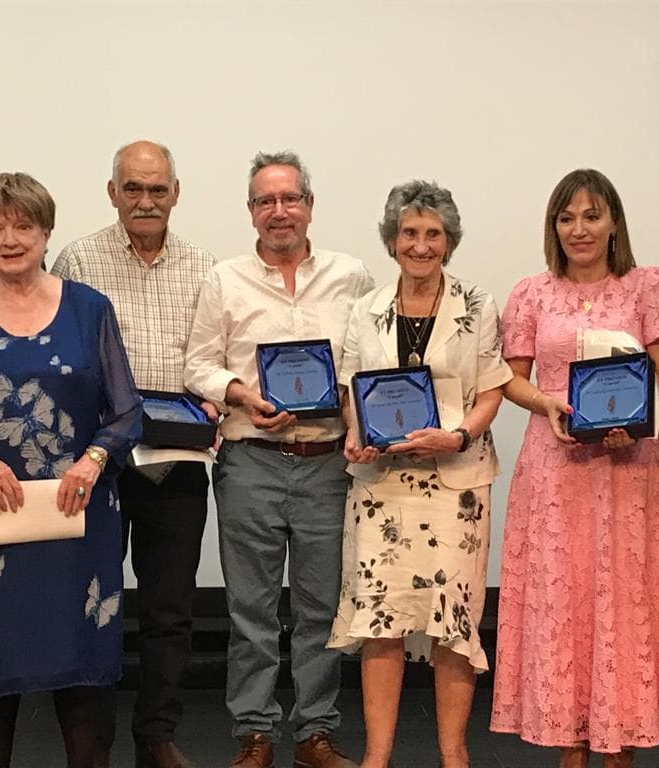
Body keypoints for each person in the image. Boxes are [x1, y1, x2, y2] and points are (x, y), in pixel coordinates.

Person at [489, 169, 659, 768]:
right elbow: (512, 380)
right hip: (555, 467)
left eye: (591, 215)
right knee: (562, 601)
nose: (579, 228)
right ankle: (570, 744)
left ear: (614, 223)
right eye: (566, 217)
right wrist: (549, 404)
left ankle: (622, 742)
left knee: (625, 597)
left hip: (628, 465)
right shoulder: (531, 291)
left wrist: (631, 419)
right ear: (553, 226)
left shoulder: (648, 285)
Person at [0, 173, 143, 768]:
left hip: (78, 515)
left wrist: (94, 458)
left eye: (23, 225)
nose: (10, 238)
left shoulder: (88, 308)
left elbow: (126, 411)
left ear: (46, 231)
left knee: (83, 676)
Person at [184, 151, 373, 768]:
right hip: (251, 462)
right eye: (266, 201)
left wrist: (347, 399)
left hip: (326, 464)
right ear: (251, 212)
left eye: (290, 198)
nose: (279, 211)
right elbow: (199, 365)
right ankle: (255, 733)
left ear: (310, 206)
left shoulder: (353, 277)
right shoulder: (225, 279)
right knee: (251, 610)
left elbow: (371, 361)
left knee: (323, 608)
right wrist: (242, 394)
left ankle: (316, 732)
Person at [326, 181, 512, 768]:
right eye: (409, 232)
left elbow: (492, 388)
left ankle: (453, 754)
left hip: (455, 484)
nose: (421, 244)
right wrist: (358, 436)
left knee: (451, 623)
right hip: (381, 489)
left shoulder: (478, 305)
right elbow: (351, 389)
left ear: (449, 242)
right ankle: (376, 758)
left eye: (433, 234)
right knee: (381, 622)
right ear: (391, 241)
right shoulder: (364, 309)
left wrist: (458, 435)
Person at [53, 140, 216, 768]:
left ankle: (156, 738)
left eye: (157, 189)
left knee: (170, 611)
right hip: (98, 461)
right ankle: (89, 743)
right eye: (132, 188)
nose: (145, 201)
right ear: (112, 191)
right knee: (90, 600)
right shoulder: (78, 260)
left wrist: (217, 411)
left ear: (176, 192)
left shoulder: (205, 267)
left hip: (176, 464)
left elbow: (215, 361)